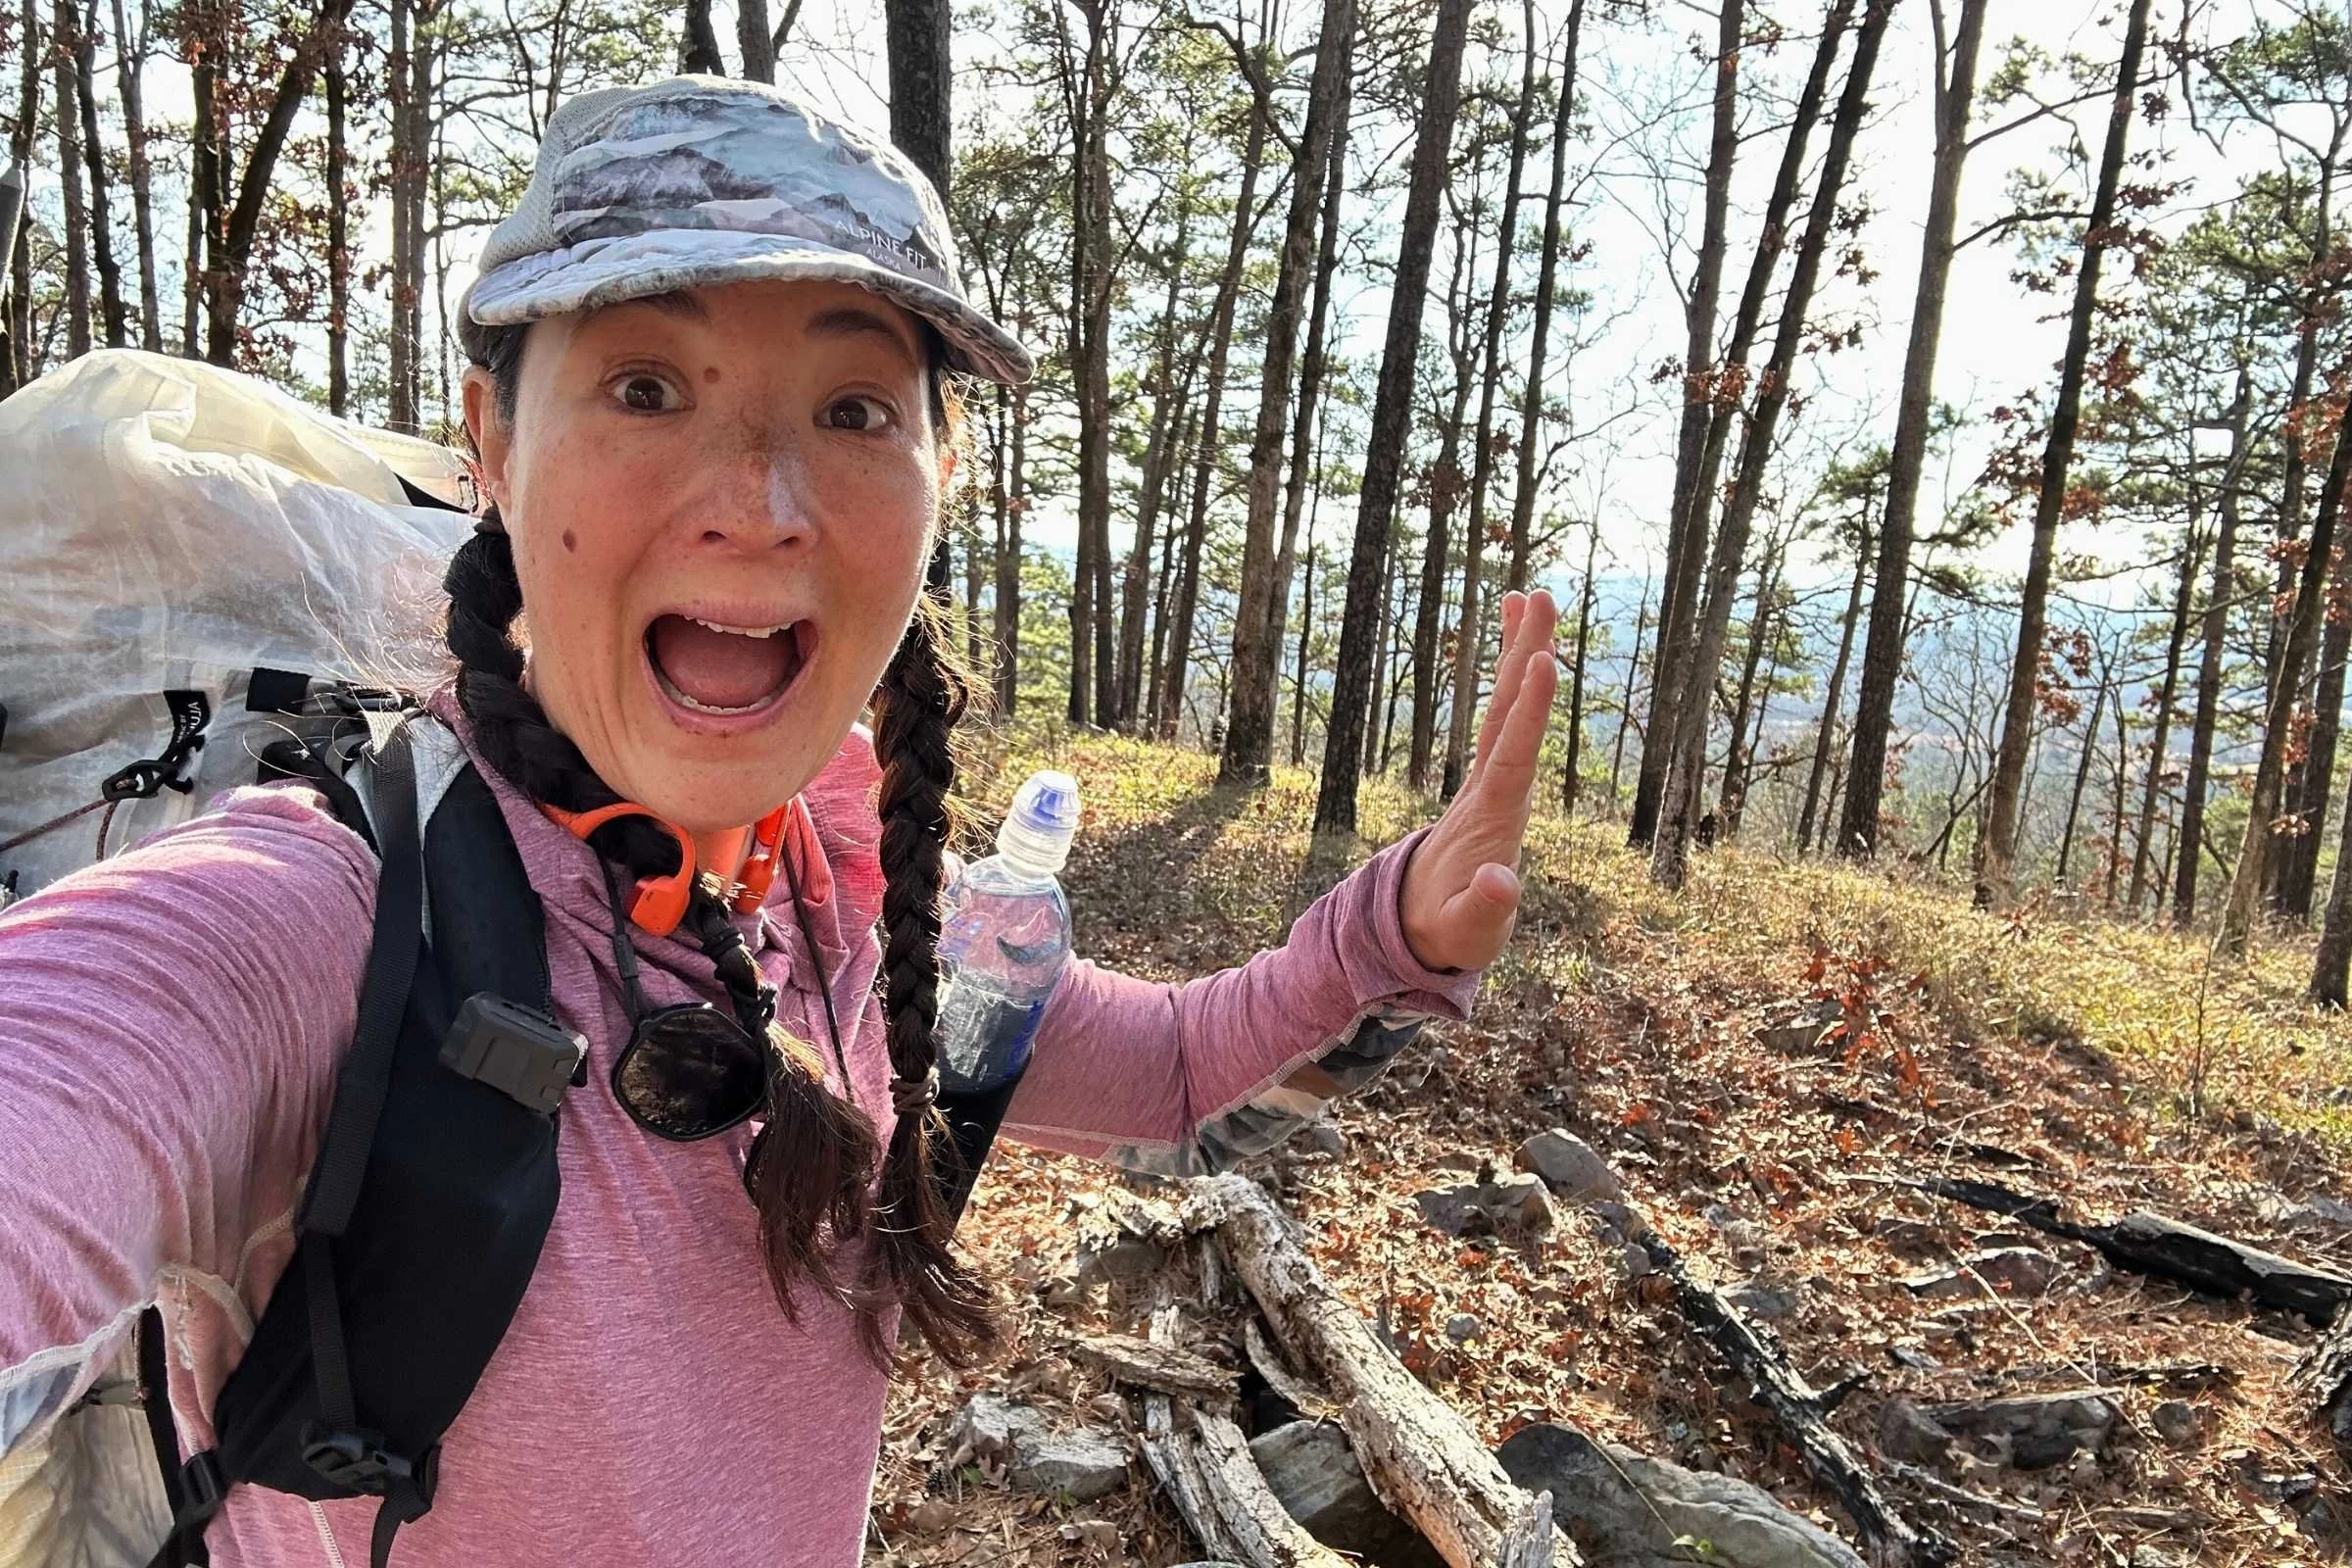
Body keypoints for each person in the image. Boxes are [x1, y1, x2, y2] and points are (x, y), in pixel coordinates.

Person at [0, 75, 1562, 1566]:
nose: (760, 498)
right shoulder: (316, 928)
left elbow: (1162, 1065)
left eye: (855, 408)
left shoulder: (844, 906)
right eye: (645, 386)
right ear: (489, 443)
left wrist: (1396, 925)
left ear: (942, 473)